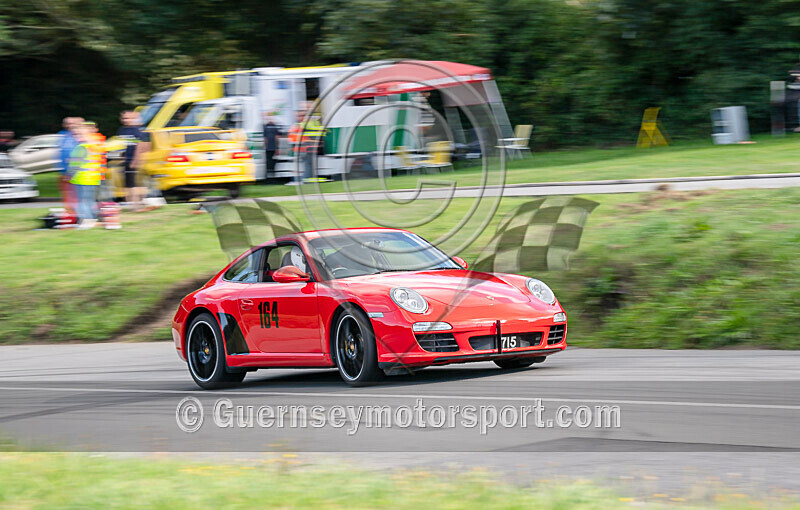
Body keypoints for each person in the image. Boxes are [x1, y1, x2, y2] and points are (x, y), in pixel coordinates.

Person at [68, 123, 101, 229]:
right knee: (90, 200)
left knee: (82, 201)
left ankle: (86, 221)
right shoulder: (94, 146)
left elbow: (75, 164)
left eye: (78, 134)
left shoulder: (80, 147)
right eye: (75, 134)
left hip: (82, 178)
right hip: (93, 178)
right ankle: (93, 218)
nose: (76, 136)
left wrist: (69, 175)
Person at [116, 111, 151, 207]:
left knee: (133, 184)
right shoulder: (122, 130)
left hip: (134, 160)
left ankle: (136, 203)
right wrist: (121, 158)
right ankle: (132, 203)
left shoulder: (137, 130)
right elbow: (121, 145)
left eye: (128, 118)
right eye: (124, 118)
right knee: (127, 184)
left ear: (133, 119)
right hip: (126, 160)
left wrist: (136, 160)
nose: (125, 120)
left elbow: (143, 146)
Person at [57, 117, 83, 211]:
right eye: (68, 123)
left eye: (72, 123)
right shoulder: (61, 135)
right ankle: (70, 212)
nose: (70, 125)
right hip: (63, 169)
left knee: (78, 192)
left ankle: (79, 212)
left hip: (77, 170)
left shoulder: (79, 136)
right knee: (66, 193)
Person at [263, 112, 280, 179]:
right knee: (268, 160)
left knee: (272, 161)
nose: (269, 118)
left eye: (271, 117)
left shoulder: (274, 126)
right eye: (268, 117)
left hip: (273, 147)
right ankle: (269, 174)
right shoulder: (265, 126)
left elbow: (277, 137)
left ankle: (272, 174)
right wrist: (265, 146)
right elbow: (265, 138)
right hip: (268, 147)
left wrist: (277, 148)